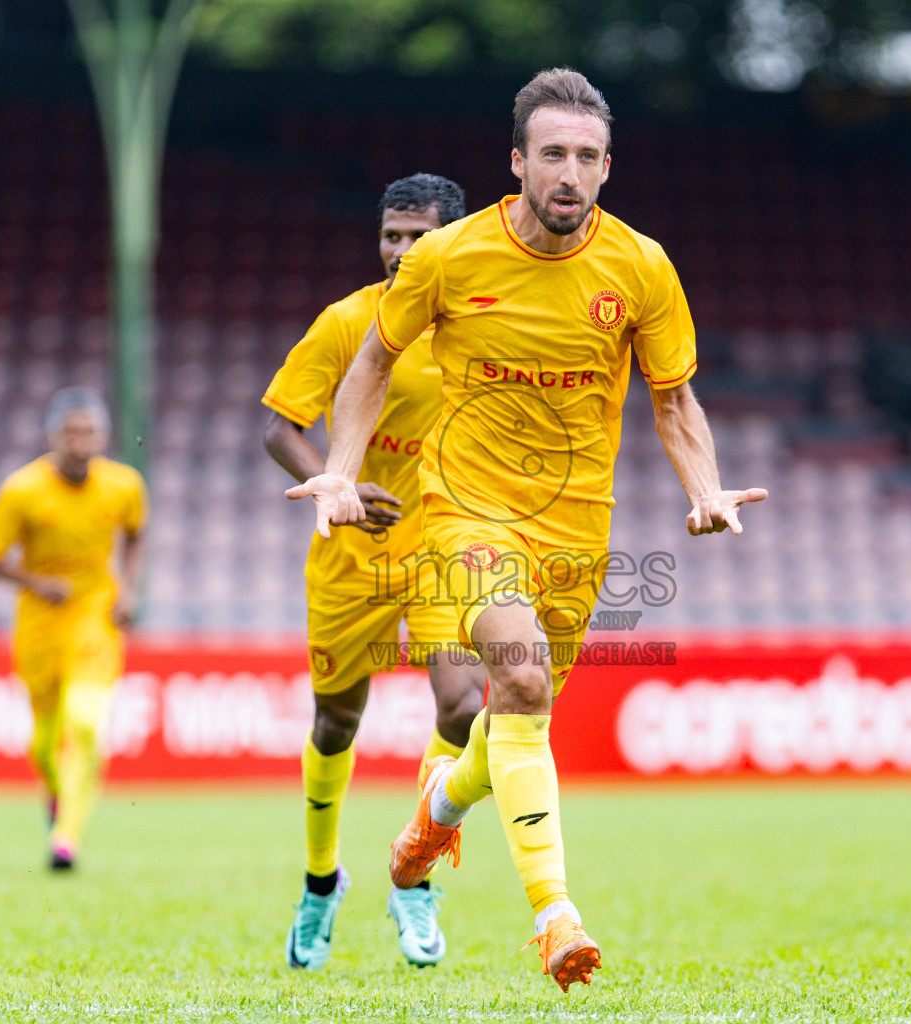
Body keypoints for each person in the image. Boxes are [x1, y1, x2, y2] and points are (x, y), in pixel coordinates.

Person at [286, 69, 766, 991]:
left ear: (608, 168)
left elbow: (675, 400)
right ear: (518, 161)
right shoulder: (447, 258)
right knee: (519, 673)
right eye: (553, 154)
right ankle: (555, 915)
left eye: (588, 158)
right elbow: (372, 363)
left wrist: (704, 488)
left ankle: (440, 805)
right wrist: (339, 471)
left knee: (518, 712)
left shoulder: (641, 266)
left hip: (578, 531)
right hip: (465, 511)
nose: (570, 174)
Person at [262, 174, 486, 970]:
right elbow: (279, 429)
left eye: (416, 236)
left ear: (450, 240)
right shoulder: (347, 320)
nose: (399, 250)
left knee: (464, 709)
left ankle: (415, 872)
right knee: (335, 723)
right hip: (350, 555)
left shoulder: (480, 326)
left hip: (442, 549)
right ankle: (321, 881)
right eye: (391, 235)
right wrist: (340, 482)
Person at [0, 387, 147, 872]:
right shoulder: (23, 490)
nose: (80, 442)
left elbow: (135, 535)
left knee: (87, 721)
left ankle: (66, 837)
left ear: (103, 436)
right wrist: (34, 582)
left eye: (88, 432)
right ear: (53, 437)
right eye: (71, 433)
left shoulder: (124, 485)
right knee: (44, 744)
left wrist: (129, 589)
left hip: (95, 613)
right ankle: (56, 796)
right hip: (39, 623)